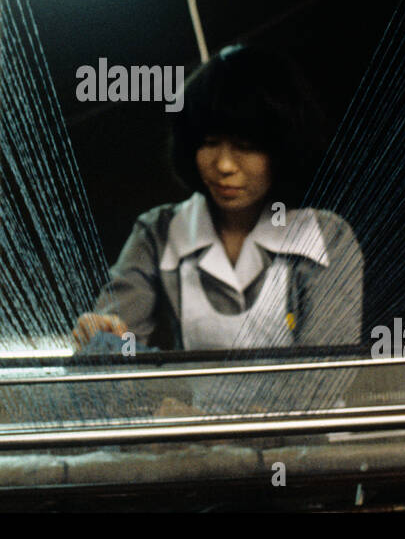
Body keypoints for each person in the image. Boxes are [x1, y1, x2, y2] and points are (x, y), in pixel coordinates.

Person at [72, 44, 363, 352]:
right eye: (209, 143)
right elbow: (111, 346)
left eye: (245, 147)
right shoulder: (157, 231)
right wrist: (99, 335)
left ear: (282, 150)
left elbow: (325, 371)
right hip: (181, 403)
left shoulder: (326, 237)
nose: (224, 165)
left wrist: (169, 392)